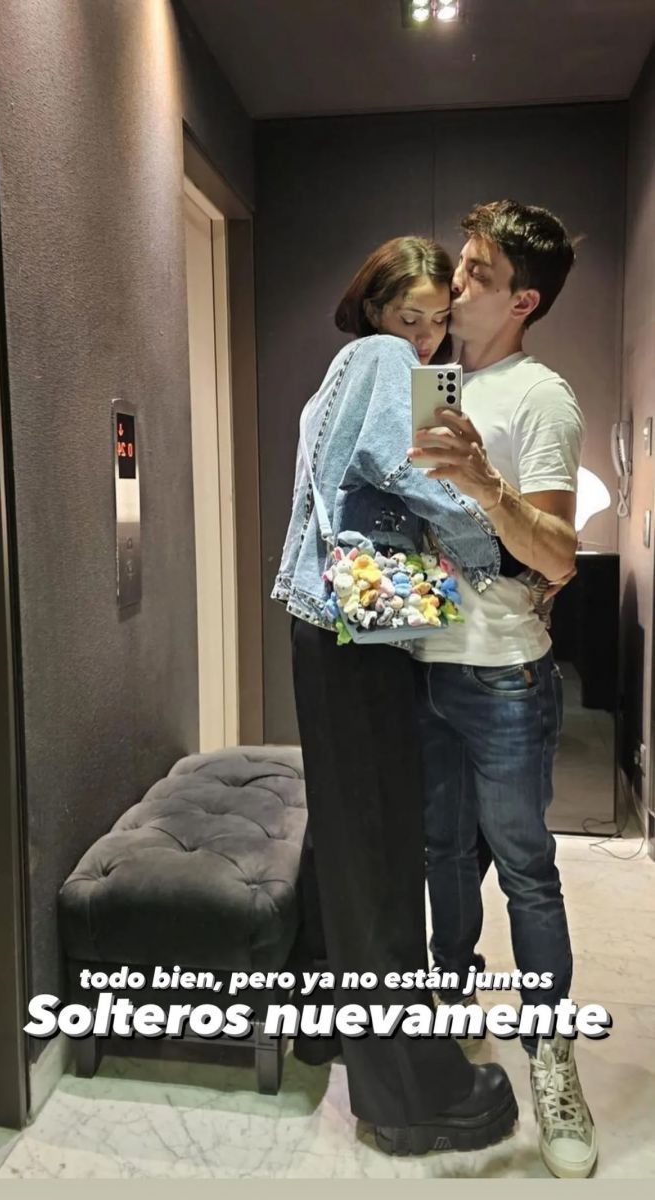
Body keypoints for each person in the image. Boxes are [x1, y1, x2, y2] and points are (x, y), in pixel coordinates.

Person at [272, 235, 519, 1156]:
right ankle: (409, 1093)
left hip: (329, 621)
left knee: (348, 834)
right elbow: (400, 466)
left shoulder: (343, 373)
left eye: (436, 321)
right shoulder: (380, 360)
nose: (423, 336)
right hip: (359, 627)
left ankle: (329, 1023)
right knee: (379, 851)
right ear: (374, 309)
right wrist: (494, 540)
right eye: (407, 316)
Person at [408, 200, 597, 1179]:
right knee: (442, 855)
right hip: (421, 665)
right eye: (462, 263)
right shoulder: (433, 380)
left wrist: (485, 483)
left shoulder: (539, 397)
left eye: (478, 273)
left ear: (523, 300)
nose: (456, 283)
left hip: (503, 676)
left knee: (525, 868)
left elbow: (559, 555)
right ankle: (450, 1003)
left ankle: (553, 1061)